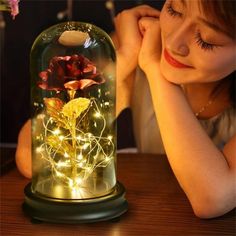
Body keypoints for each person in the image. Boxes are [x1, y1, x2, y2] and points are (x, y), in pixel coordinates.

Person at [16, 0, 236, 218]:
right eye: (175, 10)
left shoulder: (152, 56)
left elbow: (212, 199)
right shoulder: (142, 45)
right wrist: (127, 55)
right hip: (150, 216)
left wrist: (154, 69)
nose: (174, 42)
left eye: (206, 41)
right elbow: (31, 159)